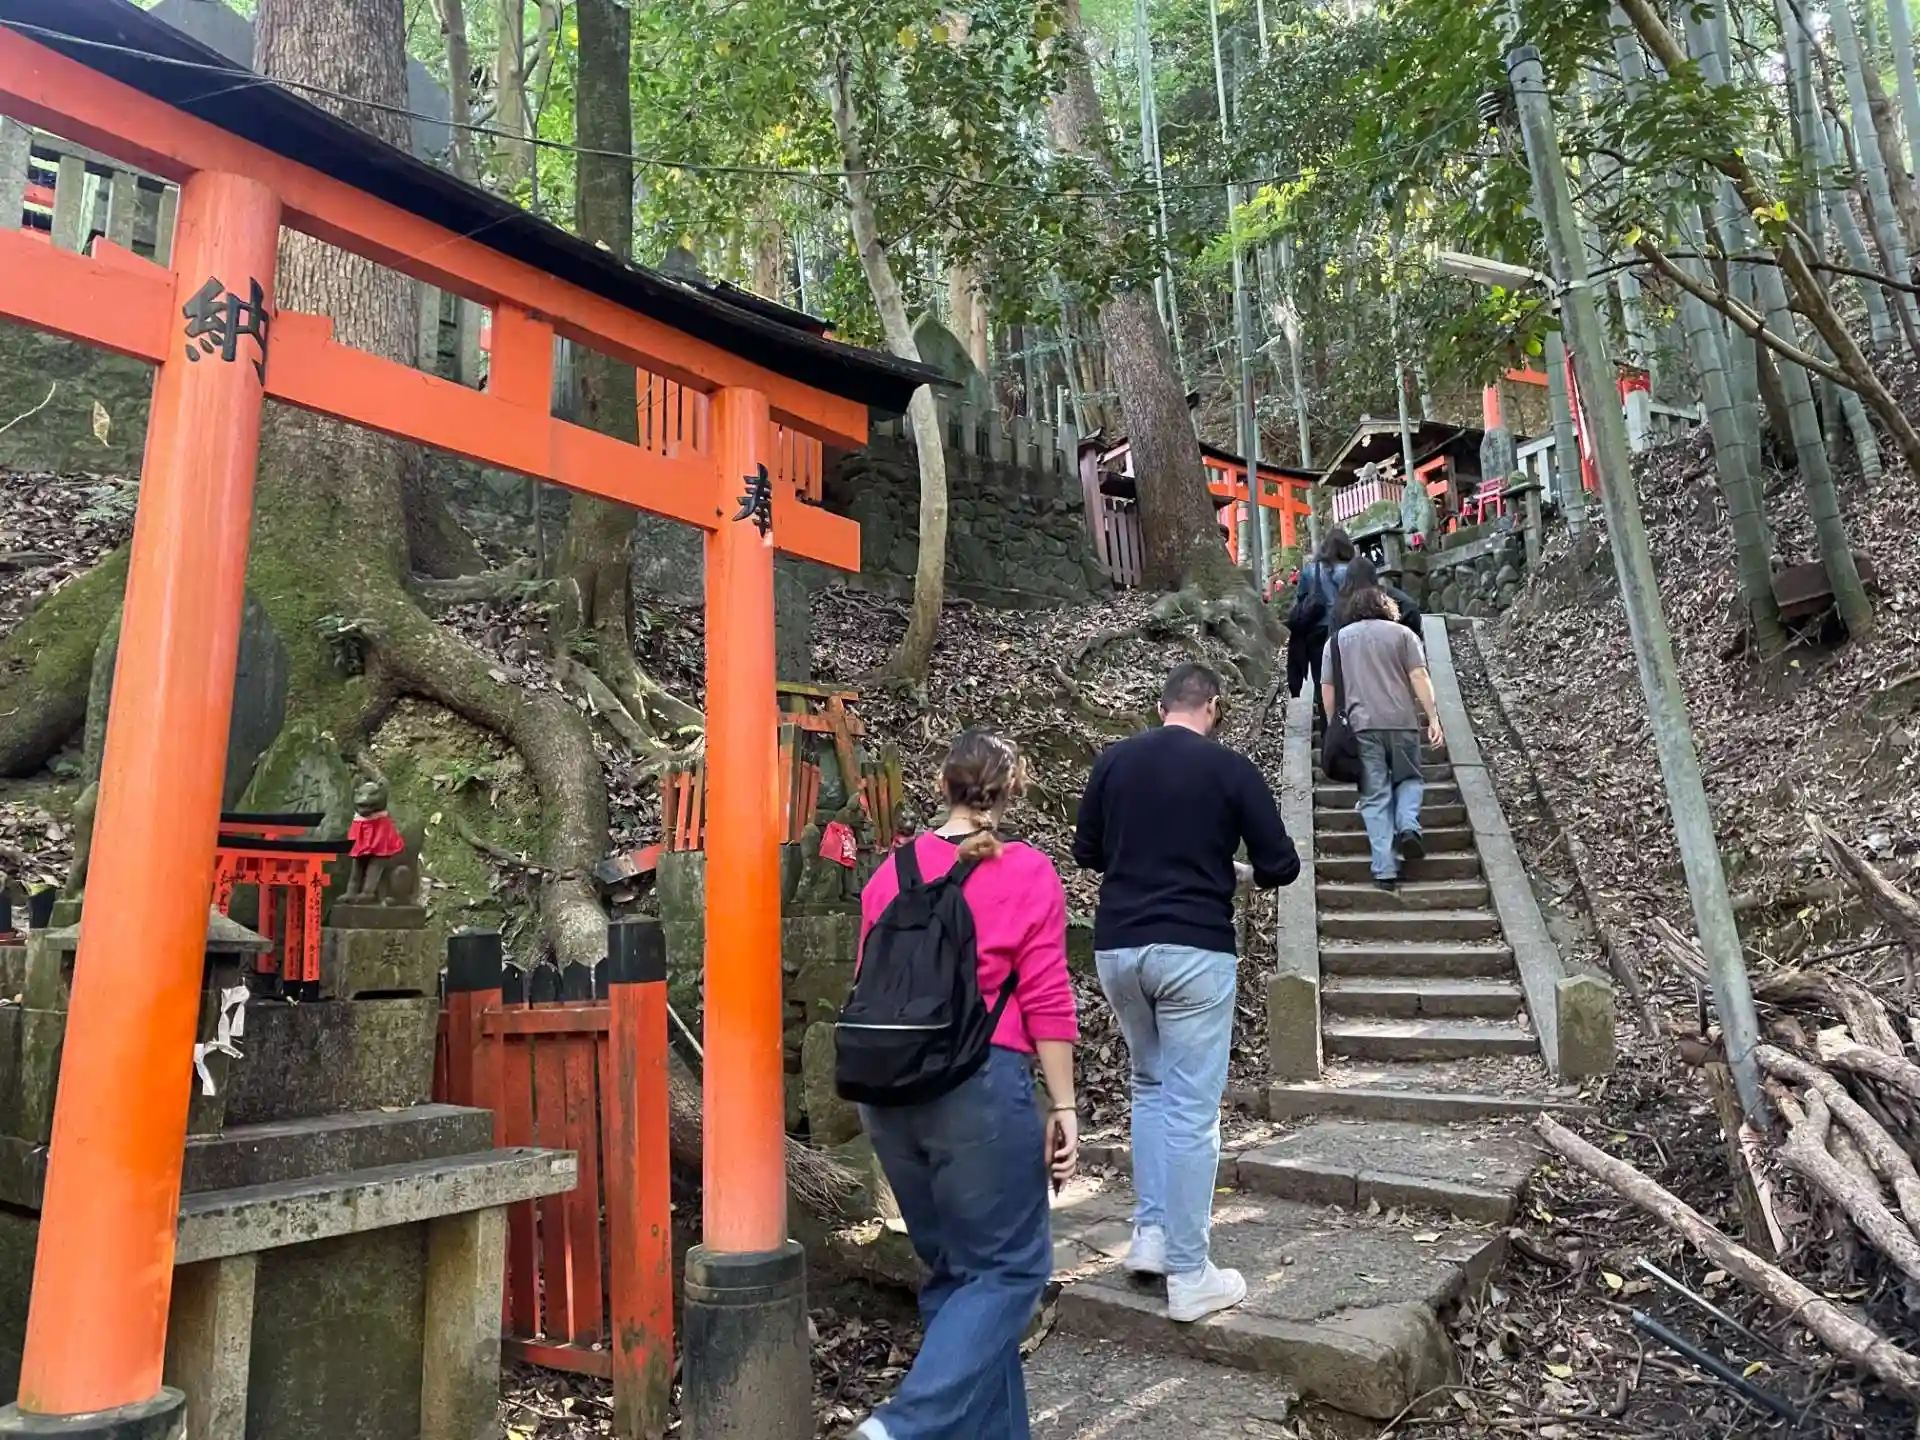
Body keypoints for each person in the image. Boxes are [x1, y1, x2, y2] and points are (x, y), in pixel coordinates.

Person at [853, 730, 1078, 1440]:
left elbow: (868, 986)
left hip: (888, 1096)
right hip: (978, 1088)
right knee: (1010, 1270)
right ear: (1012, 792)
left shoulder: (889, 874)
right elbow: (1046, 997)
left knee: (960, 1281)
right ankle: (901, 1428)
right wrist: (1064, 1104)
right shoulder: (1026, 871)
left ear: (942, 785)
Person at [1073, 664, 1300, 1324]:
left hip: (1119, 949)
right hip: (1194, 949)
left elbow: (1088, 851)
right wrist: (1231, 872)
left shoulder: (1113, 761)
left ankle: (1149, 1235)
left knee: (1149, 1086)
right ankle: (1190, 1273)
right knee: (1193, 1110)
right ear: (1214, 707)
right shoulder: (1230, 770)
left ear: (1160, 705)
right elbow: (1281, 864)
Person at [1321, 587, 1444, 891]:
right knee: (1409, 778)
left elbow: (1327, 688)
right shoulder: (1404, 635)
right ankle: (1408, 825)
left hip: (1361, 727)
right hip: (1402, 723)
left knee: (1374, 795)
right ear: (1388, 607)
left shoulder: (1336, 641)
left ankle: (1385, 869)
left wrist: (1333, 725)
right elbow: (1419, 676)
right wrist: (1433, 717)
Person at [1284, 527, 1357, 704]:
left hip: (1317, 630)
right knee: (1352, 676)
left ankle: (1327, 716)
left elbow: (1301, 599)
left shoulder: (1311, 570)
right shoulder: (1353, 570)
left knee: (1322, 679)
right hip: (1348, 628)